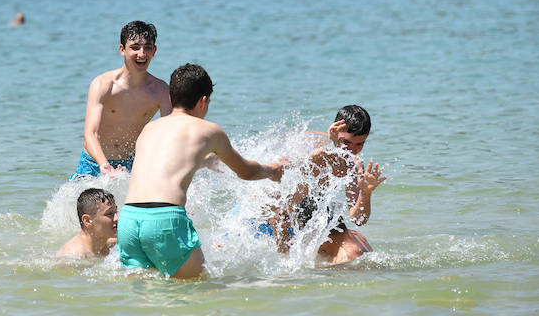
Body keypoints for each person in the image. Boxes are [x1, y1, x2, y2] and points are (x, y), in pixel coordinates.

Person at [117, 64, 287, 279]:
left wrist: (204, 161)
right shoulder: (209, 130)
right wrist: (272, 170)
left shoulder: (150, 128)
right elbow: (245, 172)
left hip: (129, 220)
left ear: (171, 97)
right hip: (164, 220)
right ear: (203, 101)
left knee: (146, 294)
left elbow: (166, 162)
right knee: (198, 292)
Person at [265, 104, 386, 264]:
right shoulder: (312, 141)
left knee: (353, 245)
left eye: (359, 144)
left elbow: (358, 219)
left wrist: (365, 194)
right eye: (346, 142)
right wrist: (330, 146)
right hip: (270, 216)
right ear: (335, 130)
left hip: (304, 218)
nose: (352, 150)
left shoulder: (353, 164)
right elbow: (283, 170)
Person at [71, 21, 171, 179]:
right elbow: (90, 133)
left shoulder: (161, 91)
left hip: (131, 164)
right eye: (135, 47)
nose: (142, 53)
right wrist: (105, 166)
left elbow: (170, 134)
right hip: (94, 163)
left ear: (155, 50)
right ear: (122, 50)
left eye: (148, 47)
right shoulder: (103, 85)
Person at [56, 188, 118, 258]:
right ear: (87, 221)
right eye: (109, 213)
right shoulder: (74, 256)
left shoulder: (107, 242)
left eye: (115, 212)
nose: (117, 218)